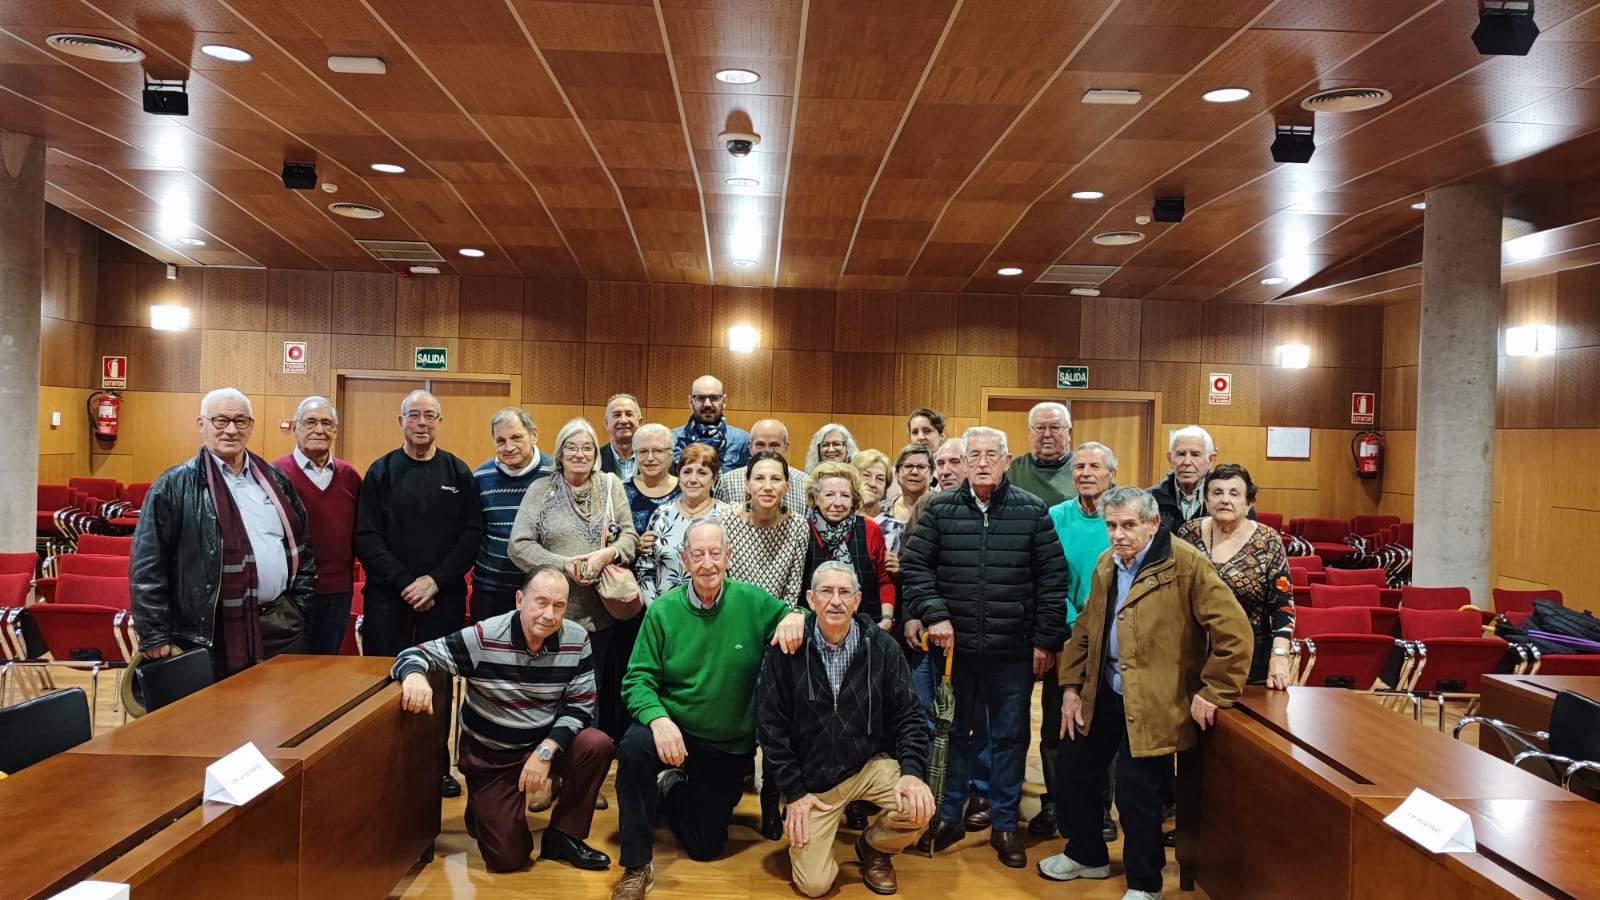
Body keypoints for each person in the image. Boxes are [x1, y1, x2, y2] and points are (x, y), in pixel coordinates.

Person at [1040, 487, 1252, 900]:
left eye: (1128, 525)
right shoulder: (1107, 562)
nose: (1118, 534)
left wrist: (1216, 690)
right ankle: (1087, 855)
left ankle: (1144, 883)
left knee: (1137, 793)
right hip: (1103, 689)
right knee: (1074, 772)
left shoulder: (1186, 564)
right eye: (1111, 525)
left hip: (1155, 698)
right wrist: (1070, 687)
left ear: (1153, 524)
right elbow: (1085, 629)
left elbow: (1235, 632)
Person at [900, 427, 1069, 868]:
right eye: (973, 455)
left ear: (1007, 461)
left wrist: (1044, 640)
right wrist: (935, 614)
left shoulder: (1032, 510)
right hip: (952, 650)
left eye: (991, 455)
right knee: (953, 733)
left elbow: (1053, 581)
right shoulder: (939, 510)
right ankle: (949, 816)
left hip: (1013, 652)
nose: (981, 463)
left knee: (1010, 737)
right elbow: (916, 568)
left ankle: (1005, 823)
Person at [611, 520, 807, 900]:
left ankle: (671, 787)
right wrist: (659, 719)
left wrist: (797, 613)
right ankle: (636, 865)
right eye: (697, 554)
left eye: (715, 553)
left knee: (705, 847)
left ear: (728, 557)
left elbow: (807, 620)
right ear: (684, 560)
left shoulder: (753, 602)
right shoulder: (663, 611)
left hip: (725, 742)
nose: (707, 563)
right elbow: (636, 680)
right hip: (673, 727)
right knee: (633, 750)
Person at [392, 565, 614, 873]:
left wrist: (545, 751)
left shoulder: (577, 639)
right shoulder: (484, 636)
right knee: (509, 859)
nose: (549, 614)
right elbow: (415, 654)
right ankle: (481, 807)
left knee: (597, 744)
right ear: (520, 600)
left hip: (541, 743)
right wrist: (415, 675)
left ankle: (564, 836)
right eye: (541, 602)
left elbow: (581, 704)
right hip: (492, 755)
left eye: (559, 605)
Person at [757, 562, 935, 897]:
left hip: (868, 766)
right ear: (811, 599)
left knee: (917, 804)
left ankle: (875, 848)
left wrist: (912, 773)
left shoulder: (882, 647)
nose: (835, 601)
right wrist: (794, 793)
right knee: (814, 885)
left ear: (857, 600)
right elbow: (769, 727)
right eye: (826, 591)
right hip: (815, 785)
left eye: (844, 592)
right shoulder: (787, 649)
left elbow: (910, 715)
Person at [132, 388, 316, 680]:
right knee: (216, 709)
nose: (231, 430)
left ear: (251, 426)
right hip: (208, 634)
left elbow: (303, 548)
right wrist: (154, 632)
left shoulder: (276, 481)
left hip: (280, 625)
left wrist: (298, 607)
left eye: (240, 421)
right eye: (221, 420)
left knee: (279, 707)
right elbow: (147, 565)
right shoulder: (172, 486)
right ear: (201, 424)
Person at [355, 389, 484, 797]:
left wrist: (435, 581)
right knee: (386, 679)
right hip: (387, 598)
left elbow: (471, 535)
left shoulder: (458, 473)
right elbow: (367, 537)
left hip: (442, 597)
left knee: (438, 684)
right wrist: (404, 583)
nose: (422, 422)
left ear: (440, 422)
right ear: (401, 421)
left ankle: (436, 767)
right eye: (414, 415)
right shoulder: (380, 472)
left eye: (430, 415)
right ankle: (383, 764)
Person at [509, 418, 640, 743]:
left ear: (595, 453)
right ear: (560, 453)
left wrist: (607, 555)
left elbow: (630, 538)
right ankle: (543, 759)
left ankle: (582, 766)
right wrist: (563, 565)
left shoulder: (611, 485)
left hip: (598, 615)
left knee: (589, 693)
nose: (579, 454)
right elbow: (518, 545)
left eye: (586, 448)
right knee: (545, 692)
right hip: (550, 613)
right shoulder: (541, 489)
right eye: (571, 447)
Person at [1040, 441, 1118, 840]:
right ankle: (1056, 803)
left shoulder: (1122, 517)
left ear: (1112, 475)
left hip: (1111, 640)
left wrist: (1097, 626)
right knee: (1057, 725)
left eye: (1095, 467)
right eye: (1080, 467)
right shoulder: (1056, 516)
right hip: (1066, 637)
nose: (1085, 473)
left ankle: (1100, 808)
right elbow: (1048, 578)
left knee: (1101, 727)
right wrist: (1075, 623)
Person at [1174, 464, 1295, 688]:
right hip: (1195, 649)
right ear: (1206, 500)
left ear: (1249, 503)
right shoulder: (1188, 533)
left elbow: (1283, 605)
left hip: (1251, 650)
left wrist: (1279, 655)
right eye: (1217, 492)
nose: (1224, 500)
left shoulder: (1268, 540)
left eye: (1234, 493)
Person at [272, 395, 359, 655]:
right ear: (295, 427)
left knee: (326, 666)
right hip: (289, 593)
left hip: (337, 593)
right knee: (287, 668)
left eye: (326, 423)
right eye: (310, 422)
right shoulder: (274, 474)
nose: (319, 429)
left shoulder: (350, 476)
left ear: (335, 430)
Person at [471, 407, 555, 623]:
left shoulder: (556, 474)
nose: (508, 447)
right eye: (500, 441)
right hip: (490, 589)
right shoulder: (480, 477)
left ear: (534, 435)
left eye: (516, 437)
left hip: (541, 589)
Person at [802, 461, 895, 632]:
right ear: (815, 498)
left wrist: (887, 619)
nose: (838, 503)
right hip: (811, 629)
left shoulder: (870, 529)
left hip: (867, 627)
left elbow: (884, 580)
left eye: (845, 496)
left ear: (854, 499)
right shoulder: (802, 530)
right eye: (829, 495)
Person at [635, 443, 731, 605]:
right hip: (665, 612)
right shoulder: (661, 514)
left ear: (714, 479)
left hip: (715, 611)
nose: (693, 479)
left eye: (702, 473)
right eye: (687, 472)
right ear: (679, 476)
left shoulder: (727, 515)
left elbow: (734, 572)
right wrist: (656, 609)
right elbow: (645, 569)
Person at [723, 450, 810, 607]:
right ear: (747, 485)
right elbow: (723, 583)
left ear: (787, 485)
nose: (768, 487)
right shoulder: (725, 520)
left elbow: (792, 590)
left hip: (779, 616)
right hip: (734, 612)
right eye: (759, 478)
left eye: (776, 479)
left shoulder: (798, 526)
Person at [714, 417, 809, 509]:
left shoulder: (805, 484)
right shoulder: (727, 483)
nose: (767, 451)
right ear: (750, 447)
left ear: (786, 448)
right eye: (760, 445)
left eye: (774, 445)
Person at [672, 375, 751, 472]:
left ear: (724, 401)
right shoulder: (672, 440)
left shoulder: (743, 441)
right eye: (700, 398)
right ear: (691, 402)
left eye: (714, 398)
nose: (707, 404)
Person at [1149, 426, 1219, 533]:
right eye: (1181, 454)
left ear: (1211, 459)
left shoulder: (1227, 501)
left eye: (1195, 455)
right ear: (1170, 459)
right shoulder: (1148, 500)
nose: (1187, 462)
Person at [1005, 402, 1074, 506]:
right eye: (1040, 428)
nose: (1047, 434)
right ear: (1030, 433)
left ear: (1069, 433)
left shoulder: (1084, 468)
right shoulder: (1010, 469)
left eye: (1055, 427)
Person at [623, 423, 679, 534]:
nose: (650, 458)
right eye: (643, 451)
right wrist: (635, 543)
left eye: (658, 451)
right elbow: (611, 534)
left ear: (670, 455)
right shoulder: (621, 491)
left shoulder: (687, 490)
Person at [599, 393, 642, 480]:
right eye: (617, 415)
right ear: (606, 423)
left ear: (640, 422)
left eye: (629, 414)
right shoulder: (595, 459)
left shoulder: (655, 459)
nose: (623, 420)